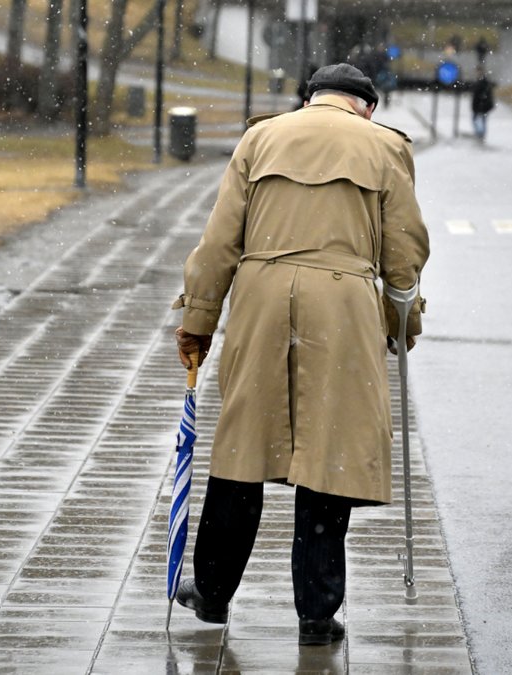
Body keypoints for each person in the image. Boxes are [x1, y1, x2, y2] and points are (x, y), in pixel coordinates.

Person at [170, 63, 430, 646]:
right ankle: (316, 612)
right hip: (343, 305)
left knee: (241, 451)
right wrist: (401, 325)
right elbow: (404, 253)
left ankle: (211, 593)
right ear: (366, 106)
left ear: (310, 99)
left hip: (260, 299)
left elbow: (219, 242)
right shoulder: (385, 146)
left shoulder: (260, 137)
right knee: (327, 458)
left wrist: (198, 322)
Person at [472, 68, 496, 141]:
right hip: (480, 105)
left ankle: (480, 134)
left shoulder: (483, 82)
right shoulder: (481, 82)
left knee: (479, 120)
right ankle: (480, 134)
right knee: (480, 120)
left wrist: (482, 104)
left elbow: (483, 95)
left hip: (481, 105)